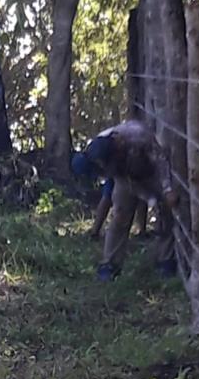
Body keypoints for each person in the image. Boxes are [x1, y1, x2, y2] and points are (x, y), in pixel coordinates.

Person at [71, 120, 178, 281]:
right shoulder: (97, 151)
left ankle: (165, 259)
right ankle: (110, 264)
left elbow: (160, 161)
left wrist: (167, 189)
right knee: (120, 214)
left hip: (150, 170)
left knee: (164, 212)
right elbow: (124, 183)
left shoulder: (139, 137)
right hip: (124, 176)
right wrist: (149, 199)